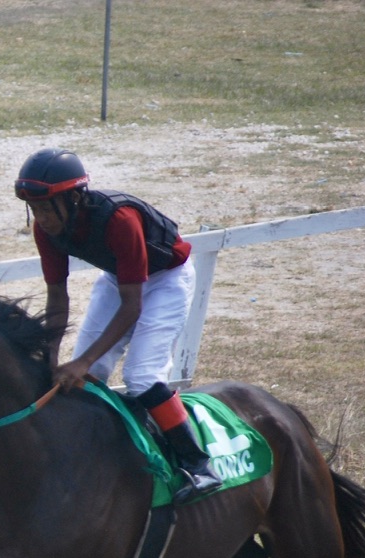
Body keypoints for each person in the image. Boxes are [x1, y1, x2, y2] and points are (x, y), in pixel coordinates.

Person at [14, 147, 222, 504]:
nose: (42, 218)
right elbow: (57, 299)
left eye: (47, 207)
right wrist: (50, 357)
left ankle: (199, 464)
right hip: (118, 279)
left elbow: (132, 306)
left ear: (76, 197)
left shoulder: (119, 219)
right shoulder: (44, 230)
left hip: (166, 280)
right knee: (91, 374)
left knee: (141, 375)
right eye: (35, 209)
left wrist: (79, 362)